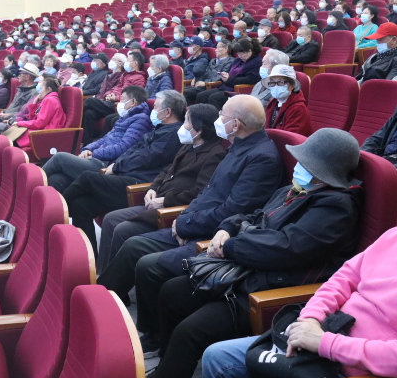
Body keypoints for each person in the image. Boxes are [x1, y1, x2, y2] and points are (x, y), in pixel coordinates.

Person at [202, 154, 397, 378]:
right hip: (322, 336)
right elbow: (342, 279)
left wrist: (325, 343)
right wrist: (310, 318)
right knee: (216, 357)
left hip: (354, 374)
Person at [146, 128, 362, 378]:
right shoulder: (295, 190)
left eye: (305, 163)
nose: (297, 166)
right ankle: (169, 368)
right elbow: (255, 215)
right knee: (171, 292)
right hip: (245, 271)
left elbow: (285, 248)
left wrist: (230, 246)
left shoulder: (336, 208)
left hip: (268, 289)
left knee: (189, 331)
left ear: (323, 171)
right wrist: (227, 228)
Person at [98, 95, 282, 329]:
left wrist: (188, 224)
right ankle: (100, 302)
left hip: (215, 235)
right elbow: (206, 193)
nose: (218, 119)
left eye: (222, 115)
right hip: (195, 222)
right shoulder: (238, 147)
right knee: (133, 245)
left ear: (235, 124)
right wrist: (184, 219)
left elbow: (234, 210)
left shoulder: (261, 158)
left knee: (147, 265)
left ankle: (150, 334)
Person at [96, 104, 226, 273]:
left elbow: (199, 192)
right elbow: (167, 170)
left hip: (172, 210)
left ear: (199, 129)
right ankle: (103, 272)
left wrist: (165, 201)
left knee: (122, 229)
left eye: (187, 121)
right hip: (156, 201)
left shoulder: (214, 154)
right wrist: (153, 188)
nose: (182, 126)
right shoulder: (188, 145)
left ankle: (116, 282)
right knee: (111, 219)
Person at [64, 90, 186, 253]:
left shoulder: (172, 135)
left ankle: (55, 215)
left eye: (156, 107)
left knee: (87, 178)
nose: (153, 110)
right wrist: (117, 165)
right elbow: (131, 151)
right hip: (126, 175)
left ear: (168, 112)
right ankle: (88, 255)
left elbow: (146, 158)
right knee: (81, 205)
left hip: (138, 184)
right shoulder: (158, 128)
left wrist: (116, 167)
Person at [44, 85, 152, 193]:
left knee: (59, 158)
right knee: (56, 179)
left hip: (107, 164)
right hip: (100, 157)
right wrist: (87, 149)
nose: (119, 103)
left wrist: (94, 154)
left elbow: (124, 147)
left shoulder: (141, 120)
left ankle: (34, 181)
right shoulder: (126, 117)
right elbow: (104, 139)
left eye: (122, 99)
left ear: (133, 102)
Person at [82, 52, 147, 144]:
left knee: (89, 101)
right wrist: (108, 94)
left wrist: (116, 98)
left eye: (128, 60)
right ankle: (86, 143)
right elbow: (116, 88)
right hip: (110, 102)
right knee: (89, 113)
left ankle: (73, 124)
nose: (126, 63)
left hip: (118, 105)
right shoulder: (126, 75)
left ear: (135, 63)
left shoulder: (139, 77)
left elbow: (135, 95)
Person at [196, 37, 263, 108]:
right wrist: (225, 75)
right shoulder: (237, 60)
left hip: (238, 89)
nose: (239, 56)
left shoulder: (257, 62)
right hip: (226, 86)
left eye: (242, 53)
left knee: (214, 98)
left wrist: (229, 79)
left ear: (249, 51)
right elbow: (229, 72)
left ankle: (218, 115)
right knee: (201, 95)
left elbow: (251, 79)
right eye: (238, 53)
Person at [262, 64, 312, 136]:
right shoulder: (273, 103)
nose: (275, 86)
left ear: (292, 85)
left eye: (280, 82)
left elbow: (290, 138)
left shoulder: (298, 108)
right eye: (272, 82)